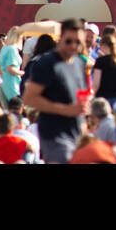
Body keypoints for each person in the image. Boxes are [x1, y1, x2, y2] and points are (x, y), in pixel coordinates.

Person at [21, 18, 91, 164]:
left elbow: (79, 99)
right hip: (54, 135)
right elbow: (29, 98)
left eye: (77, 42)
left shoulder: (79, 62)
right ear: (60, 39)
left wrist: (84, 130)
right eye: (68, 41)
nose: (73, 46)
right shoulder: (47, 63)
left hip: (76, 132)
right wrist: (66, 110)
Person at [91, 33, 116, 103]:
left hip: (102, 99)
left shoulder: (100, 61)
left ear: (104, 45)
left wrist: (91, 97)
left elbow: (96, 84)